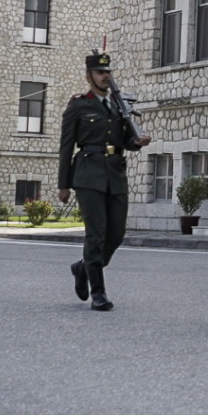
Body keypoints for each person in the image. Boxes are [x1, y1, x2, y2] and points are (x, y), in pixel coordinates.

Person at [57, 51, 151, 311]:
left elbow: (124, 141)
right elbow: (66, 146)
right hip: (88, 174)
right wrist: (63, 184)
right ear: (89, 77)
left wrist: (137, 142)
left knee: (116, 234)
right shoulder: (78, 105)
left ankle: (84, 267)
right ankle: (98, 292)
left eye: (107, 72)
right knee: (96, 234)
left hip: (115, 174)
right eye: (100, 72)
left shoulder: (117, 105)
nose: (105, 76)